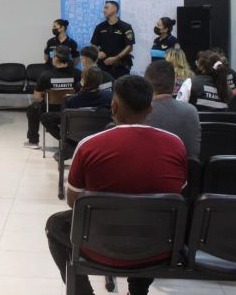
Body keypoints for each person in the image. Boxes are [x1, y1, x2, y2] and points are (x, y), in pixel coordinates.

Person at [45, 75, 186, 295]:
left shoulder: (88, 146)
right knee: (155, 216)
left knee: (55, 225)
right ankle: (138, 290)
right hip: (156, 248)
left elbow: (75, 202)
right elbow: (178, 193)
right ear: (150, 109)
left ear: (113, 106)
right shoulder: (175, 144)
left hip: (99, 246)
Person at [40, 66, 112, 152]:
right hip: (100, 133)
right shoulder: (109, 97)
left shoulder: (72, 100)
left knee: (46, 117)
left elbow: (64, 121)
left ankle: (69, 143)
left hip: (75, 136)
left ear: (84, 80)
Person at [24, 45, 81, 149]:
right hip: (71, 111)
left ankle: (33, 141)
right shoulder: (78, 74)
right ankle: (72, 139)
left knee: (32, 109)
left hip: (50, 111)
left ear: (56, 58)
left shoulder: (46, 75)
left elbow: (37, 96)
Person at [144, 61, 201, 161]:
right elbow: (193, 156)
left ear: (146, 85)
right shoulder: (191, 111)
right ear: (174, 84)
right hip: (184, 174)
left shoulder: (139, 113)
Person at [90, 1, 135, 79]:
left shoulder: (125, 27)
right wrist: (97, 52)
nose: (104, 10)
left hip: (121, 66)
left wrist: (116, 58)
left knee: (121, 89)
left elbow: (129, 47)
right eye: (104, 8)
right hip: (103, 65)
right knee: (104, 88)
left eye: (106, 7)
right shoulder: (100, 27)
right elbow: (93, 45)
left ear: (114, 9)